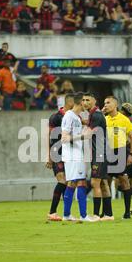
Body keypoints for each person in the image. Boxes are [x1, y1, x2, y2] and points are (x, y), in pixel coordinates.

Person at [61, 92, 97, 222]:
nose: (86, 103)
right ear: (79, 102)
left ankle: (66, 215)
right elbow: (64, 138)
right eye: (85, 101)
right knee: (80, 181)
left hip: (75, 154)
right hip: (73, 155)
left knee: (72, 182)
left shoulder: (76, 117)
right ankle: (84, 215)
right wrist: (82, 136)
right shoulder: (69, 116)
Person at [103, 96, 132, 219]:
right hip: (108, 152)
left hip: (121, 151)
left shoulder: (124, 120)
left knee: (123, 181)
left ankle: (127, 212)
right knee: (105, 181)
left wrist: (131, 154)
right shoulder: (104, 119)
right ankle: (107, 212)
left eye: (108, 103)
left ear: (115, 105)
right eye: (105, 103)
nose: (106, 105)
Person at [83, 93, 114, 221]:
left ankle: (96, 215)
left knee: (95, 182)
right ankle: (108, 214)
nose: (85, 102)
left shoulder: (95, 115)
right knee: (103, 183)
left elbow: (89, 134)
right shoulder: (95, 115)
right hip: (101, 153)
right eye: (84, 100)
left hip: (99, 154)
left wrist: (70, 138)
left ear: (94, 101)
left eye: (88, 100)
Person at [46, 93, 74, 221]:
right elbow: (50, 138)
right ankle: (52, 212)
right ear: (69, 102)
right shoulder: (56, 117)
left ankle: (66, 213)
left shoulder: (74, 117)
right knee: (62, 180)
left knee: (67, 182)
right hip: (57, 152)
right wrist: (50, 157)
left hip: (69, 153)